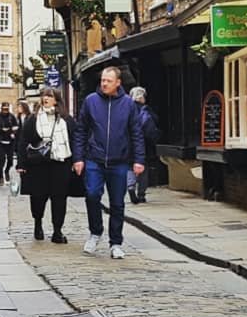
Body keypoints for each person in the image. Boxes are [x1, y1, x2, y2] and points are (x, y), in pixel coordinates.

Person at [72, 65, 144, 259]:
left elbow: (136, 133)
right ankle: (95, 232)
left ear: (118, 83)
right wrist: (78, 158)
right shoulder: (91, 101)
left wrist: (139, 160)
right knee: (92, 195)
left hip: (119, 161)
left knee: (117, 203)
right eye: (102, 80)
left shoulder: (128, 104)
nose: (104, 83)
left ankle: (115, 243)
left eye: (108, 81)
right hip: (94, 159)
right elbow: (80, 131)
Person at [17, 86, 75, 243]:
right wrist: (21, 164)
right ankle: (38, 223)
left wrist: (76, 161)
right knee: (37, 198)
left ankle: (57, 231)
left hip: (60, 164)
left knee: (59, 199)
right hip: (38, 164)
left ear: (56, 99)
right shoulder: (33, 119)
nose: (45, 98)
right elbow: (23, 141)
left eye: (49, 96)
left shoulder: (66, 120)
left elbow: (74, 141)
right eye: (43, 96)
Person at [128, 87, 159, 205]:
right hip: (144, 143)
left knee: (130, 167)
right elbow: (152, 126)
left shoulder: (127, 110)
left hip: (129, 143)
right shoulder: (145, 110)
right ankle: (141, 194)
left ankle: (130, 186)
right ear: (141, 97)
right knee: (143, 168)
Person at [0, 102, 19, 185]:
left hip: (10, 141)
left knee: (10, 160)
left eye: (7, 109)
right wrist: (1, 130)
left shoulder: (12, 117)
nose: (5, 111)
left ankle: (6, 171)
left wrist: (13, 132)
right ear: (1, 109)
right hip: (0, 142)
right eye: (4, 109)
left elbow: (16, 127)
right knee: (1, 160)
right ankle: (1, 177)